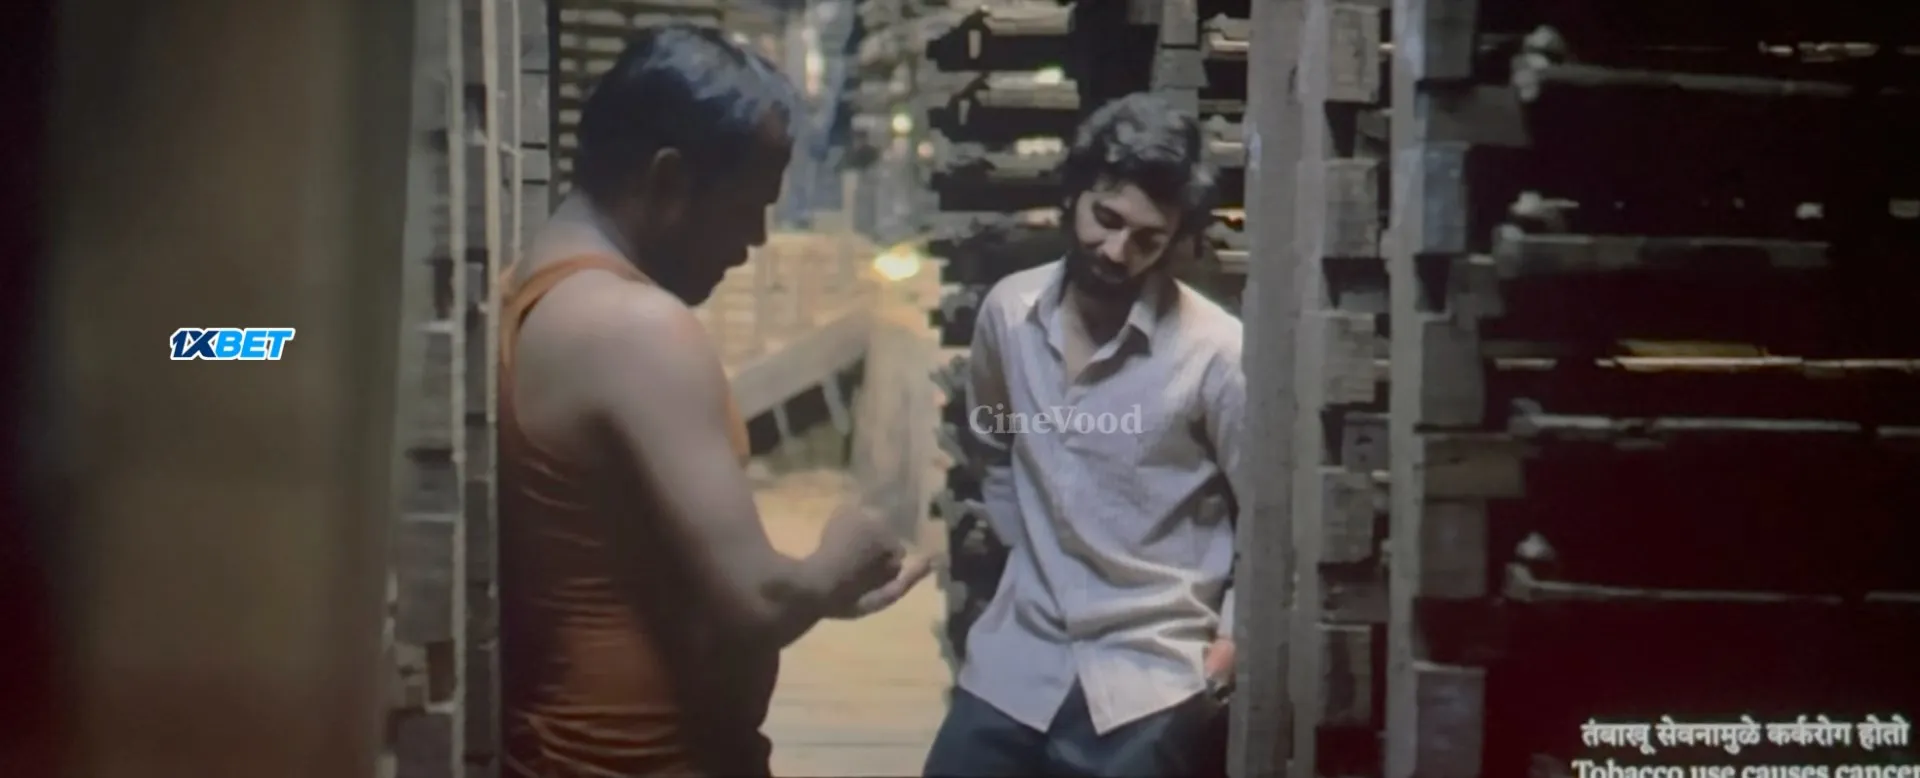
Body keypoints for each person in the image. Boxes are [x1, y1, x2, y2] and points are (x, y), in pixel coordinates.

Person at [497, 25, 930, 778]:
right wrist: (840, 556)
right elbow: (758, 600)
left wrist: (816, 591)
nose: (757, 238)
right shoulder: (632, 327)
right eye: (746, 206)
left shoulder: (531, 285)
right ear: (668, 181)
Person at [923, 92, 1246, 777]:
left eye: (1148, 239)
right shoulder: (1009, 313)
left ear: (1174, 240)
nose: (1117, 251)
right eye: (1107, 219)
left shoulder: (1215, 352)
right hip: (1018, 660)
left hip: (1151, 678)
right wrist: (1025, 548)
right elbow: (993, 440)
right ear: (1075, 196)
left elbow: (1265, 517)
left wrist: (1230, 640)